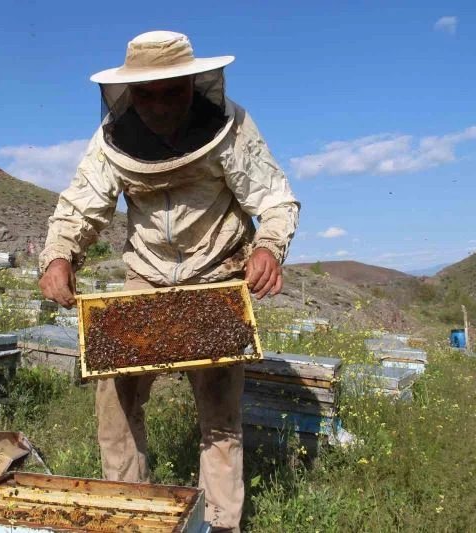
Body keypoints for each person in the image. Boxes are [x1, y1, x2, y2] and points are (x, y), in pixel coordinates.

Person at [39, 30, 299, 532]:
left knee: (220, 417)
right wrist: (59, 256)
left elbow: (275, 199)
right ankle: (128, 512)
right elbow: (79, 208)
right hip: (146, 275)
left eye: (172, 92)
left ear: (193, 85)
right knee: (115, 402)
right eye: (146, 94)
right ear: (128, 93)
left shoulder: (232, 127)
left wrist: (268, 246)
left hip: (217, 275)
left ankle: (221, 523)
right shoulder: (111, 140)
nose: (159, 106)